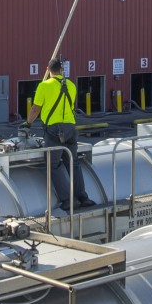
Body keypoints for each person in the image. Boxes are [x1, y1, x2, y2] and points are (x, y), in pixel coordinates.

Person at [27, 58, 94, 211]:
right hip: (71, 128)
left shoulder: (44, 86)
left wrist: (28, 123)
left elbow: (36, 109)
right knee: (73, 163)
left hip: (54, 130)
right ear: (62, 70)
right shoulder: (71, 85)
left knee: (53, 165)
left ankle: (68, 200)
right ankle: (83, 197)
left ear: (47, 69)